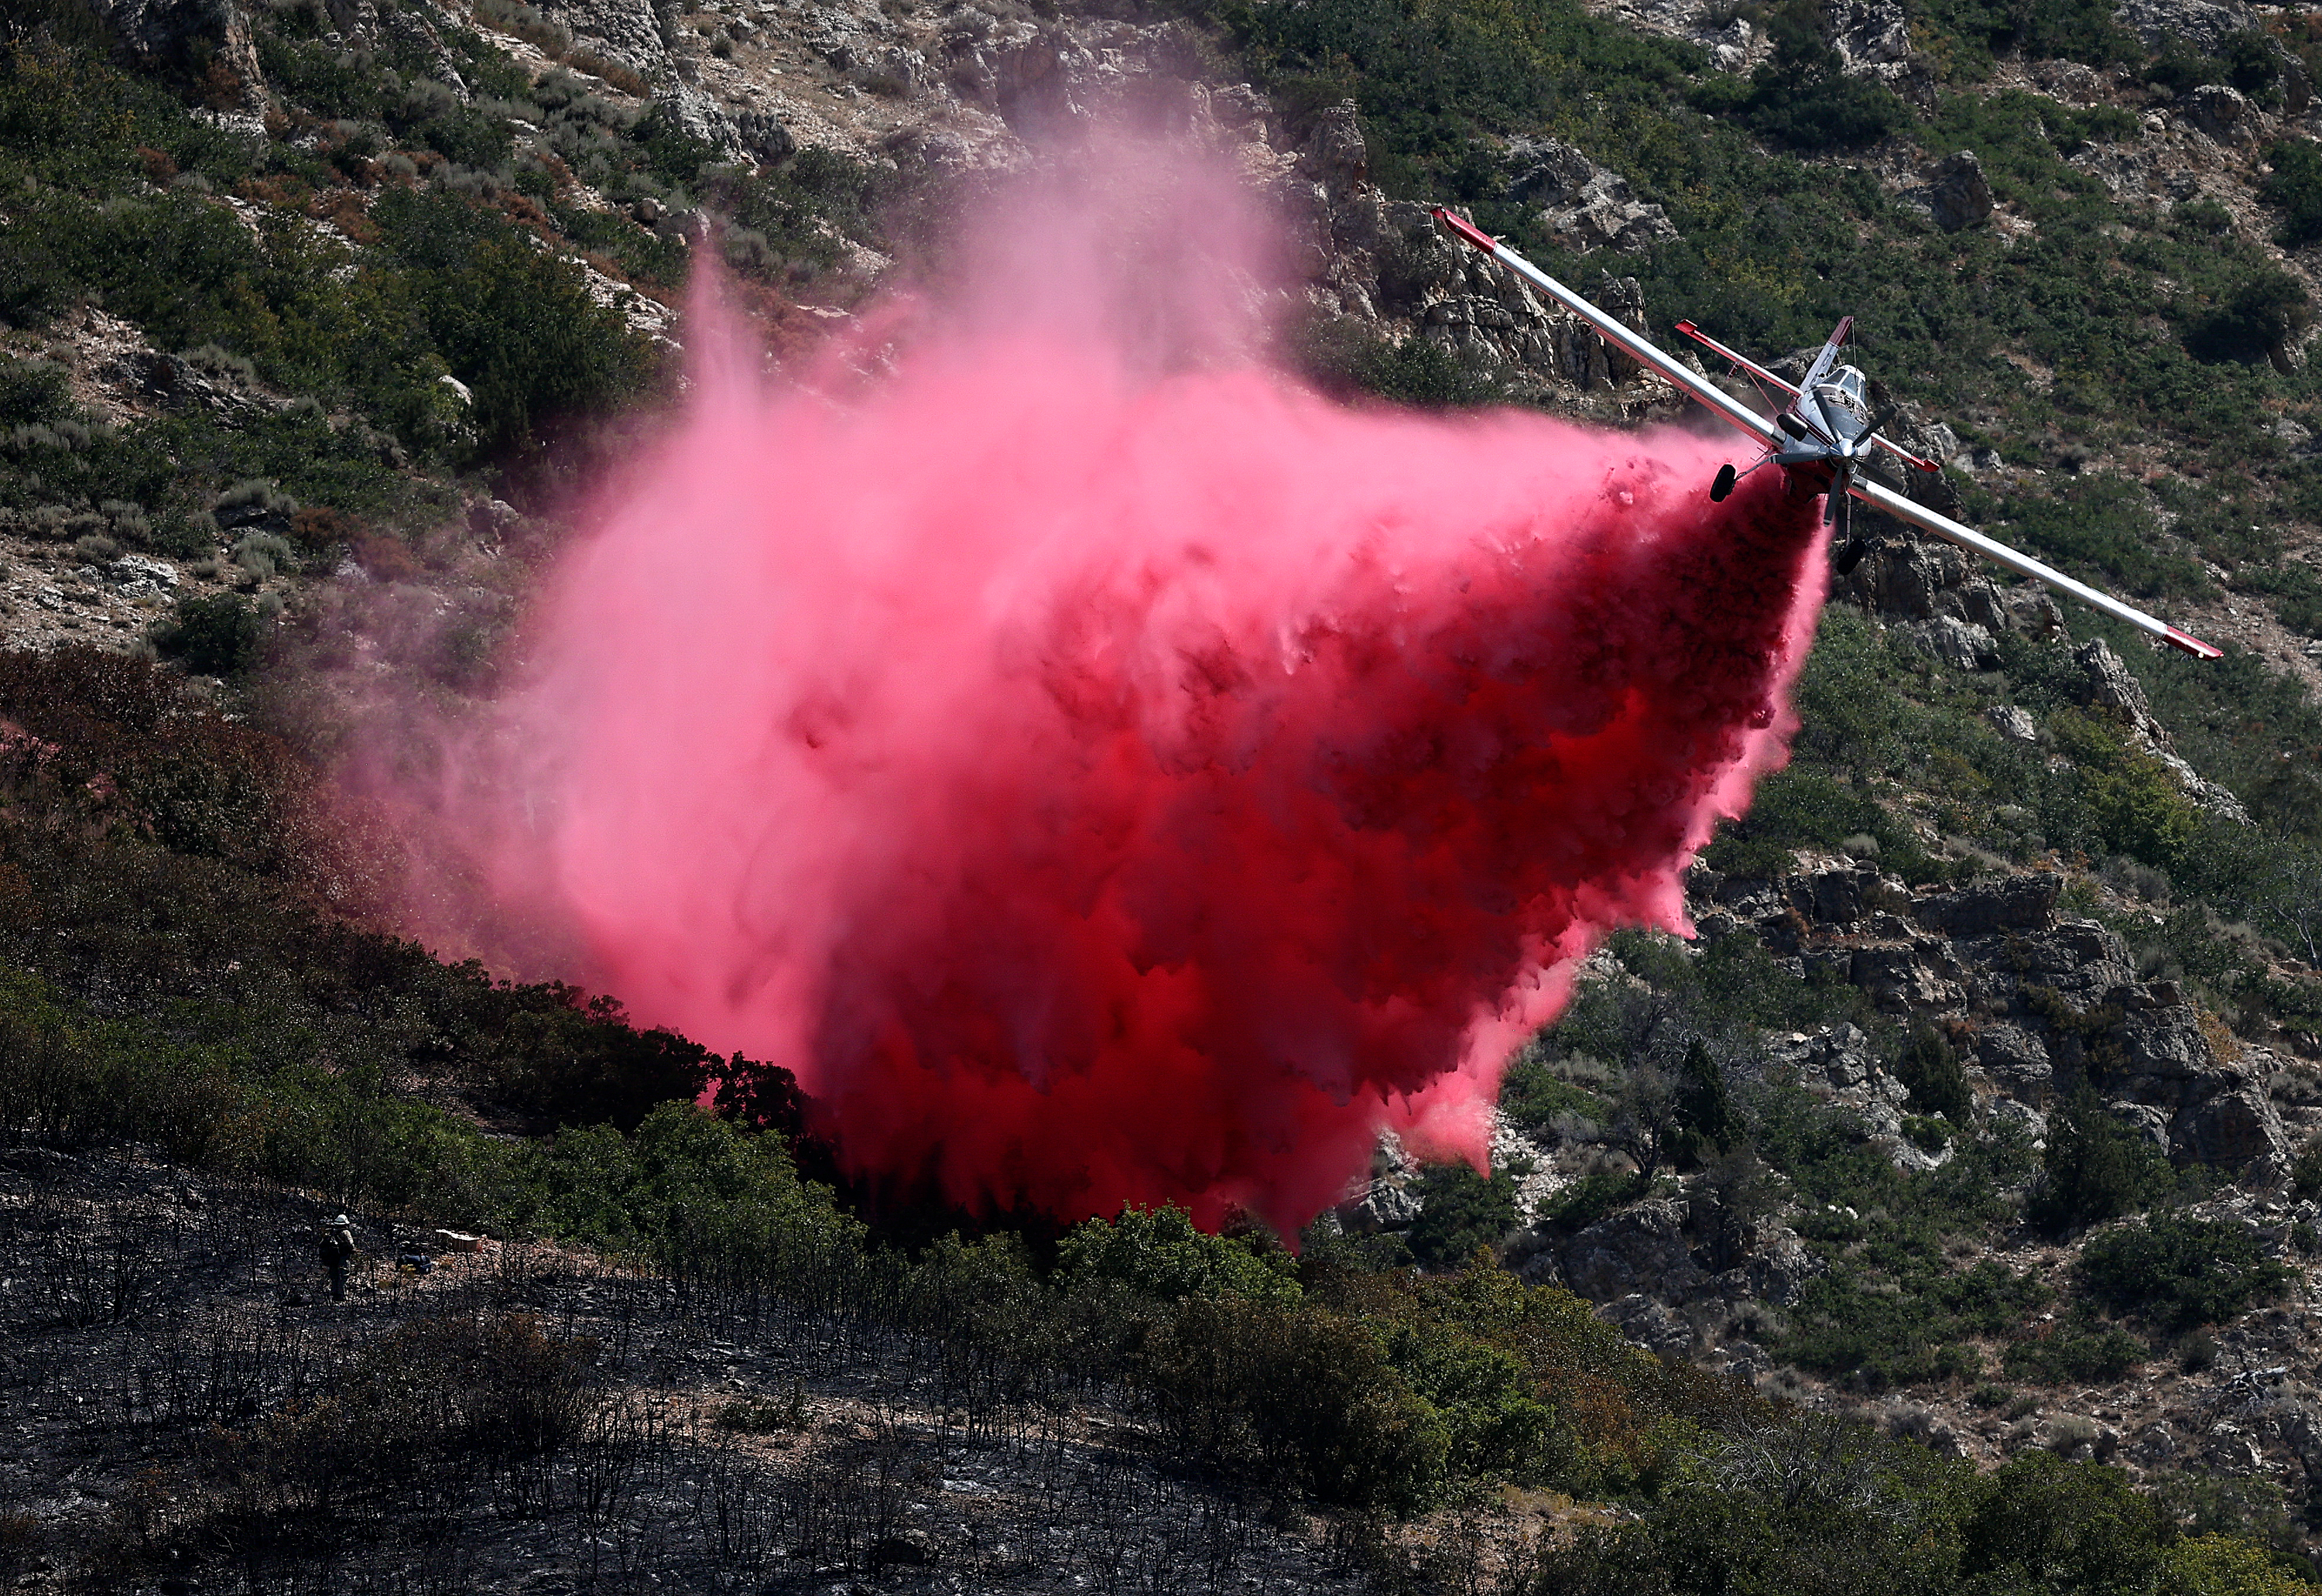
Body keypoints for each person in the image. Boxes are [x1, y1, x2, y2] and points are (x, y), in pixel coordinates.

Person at [318, 1213, 356, 1303]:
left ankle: (334, 1294)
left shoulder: (331, 1233)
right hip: (343, 1257)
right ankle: (342, 1295)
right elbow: (351, 1245)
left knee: (334, 1276)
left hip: (333, 1258)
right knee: (344, 1275)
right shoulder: (346, 1233)